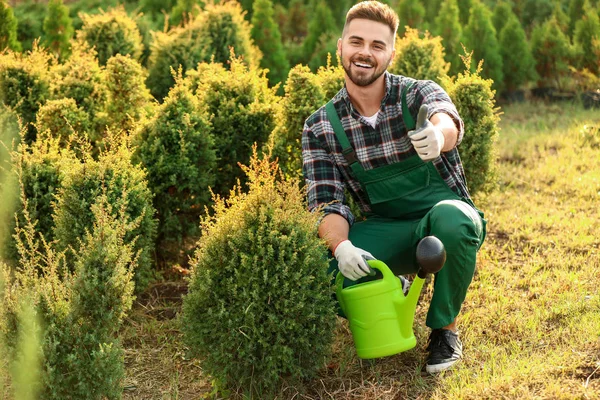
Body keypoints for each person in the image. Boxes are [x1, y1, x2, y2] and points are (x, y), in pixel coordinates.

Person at [301, 1, 486, 374]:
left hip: (443, 216)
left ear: (391, 53)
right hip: (388, 227)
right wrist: (342, 247)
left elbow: (446, 118)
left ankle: (443, 331)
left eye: (377, 45)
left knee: (453, 221)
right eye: (357, 42)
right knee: (318, 269)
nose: (365, 53)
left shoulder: (415, 94)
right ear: (340, 47)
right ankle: (393, 284)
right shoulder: (321, 127)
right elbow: (326, 202)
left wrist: (438, 135)